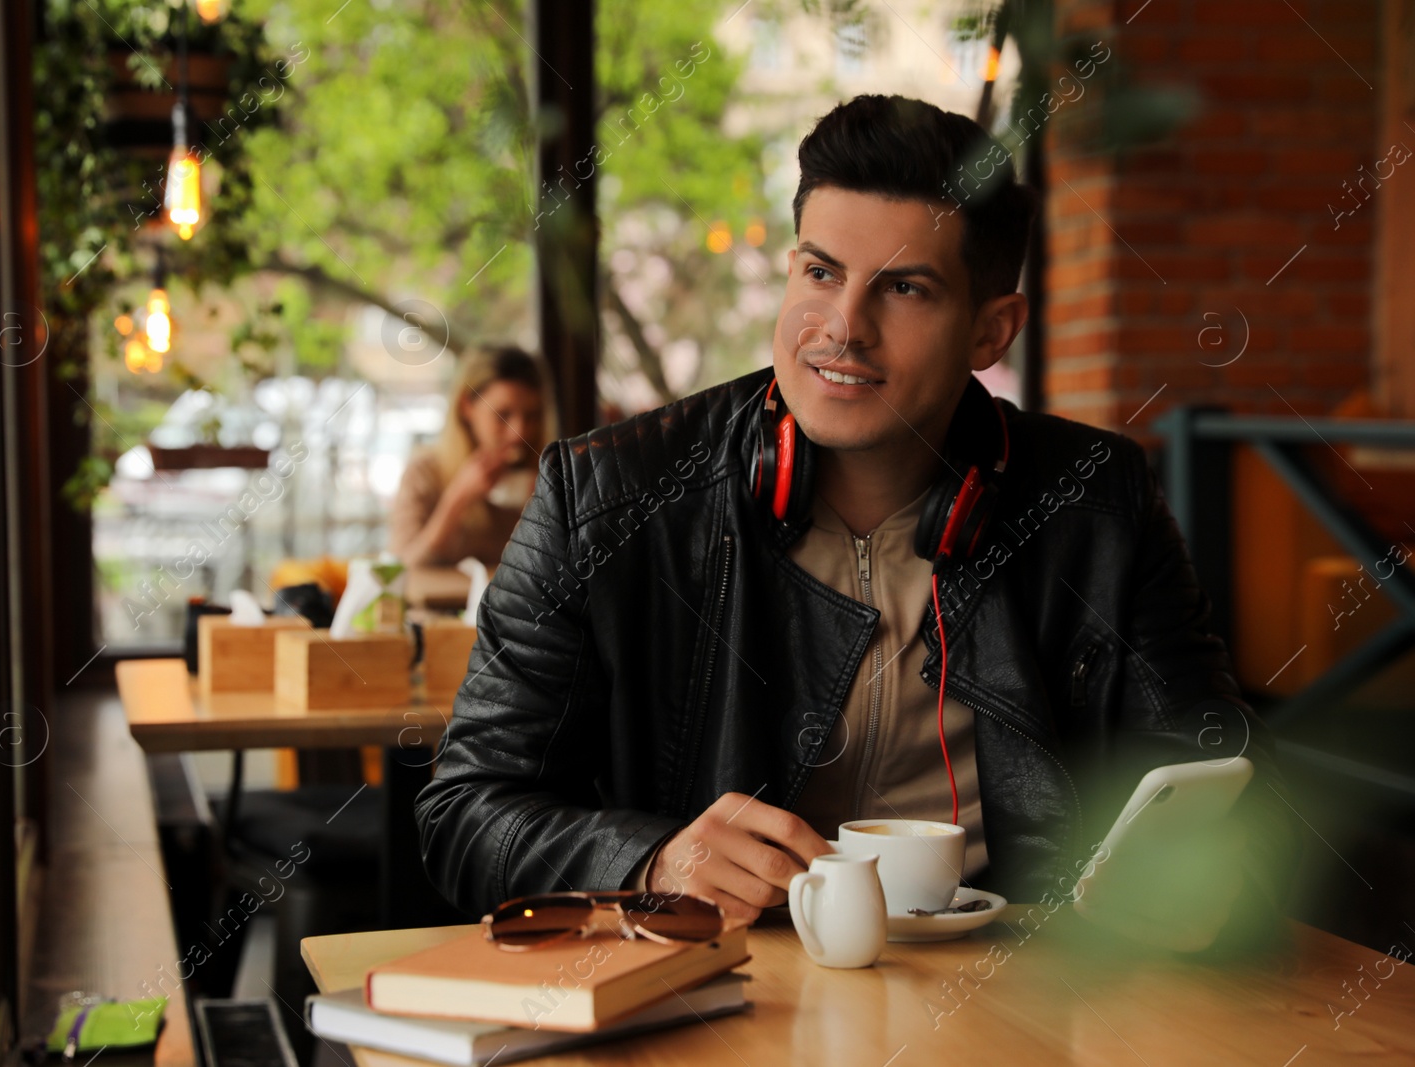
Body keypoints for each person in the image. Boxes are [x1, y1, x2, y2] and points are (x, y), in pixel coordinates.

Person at [415, 96, 1298, 953]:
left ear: (992, 331)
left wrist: (1205, 879)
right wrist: (655, 857)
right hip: (721, 1004)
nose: (842, 327)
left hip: (1021, 1010)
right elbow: (465, 813)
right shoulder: (603, 496)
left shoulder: (1098, 503)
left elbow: (1218, 780)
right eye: (820, 271)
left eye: (904, 288)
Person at [387, 345, 550, 568]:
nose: (519, 432)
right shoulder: (424, 473)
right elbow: (401, 569)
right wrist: (457, 499)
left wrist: (546, 510)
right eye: (503, 415)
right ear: (467, 406)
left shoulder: (548, 477)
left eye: (532, 416)